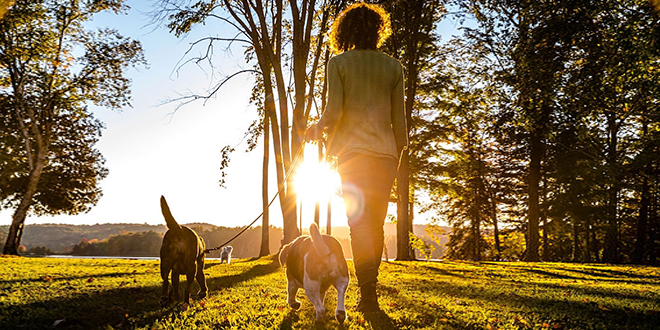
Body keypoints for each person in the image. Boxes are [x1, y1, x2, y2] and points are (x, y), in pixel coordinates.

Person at [306, 2, 407, 313]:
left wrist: (316, 127)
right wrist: (397, 156)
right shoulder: (393, 67)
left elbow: (334, 112)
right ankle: (368, 294)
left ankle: (369, 296)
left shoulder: (339, 64)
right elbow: (400, 123)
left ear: (344, 32)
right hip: (386, 155)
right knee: (374, 225)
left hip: (353, 155)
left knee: (359, 225)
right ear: (378, 30)